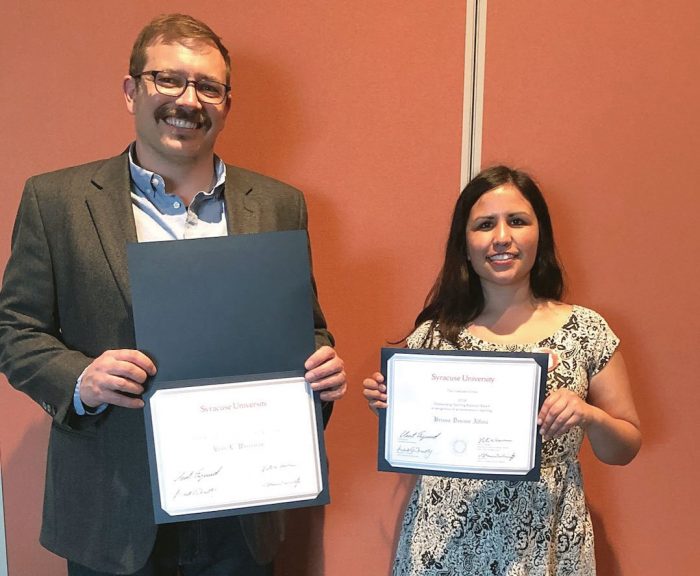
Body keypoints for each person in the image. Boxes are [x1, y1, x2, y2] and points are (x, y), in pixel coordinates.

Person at [0, 13, 346, 576]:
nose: (189, 99)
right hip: (113, 509)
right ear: (131, 91)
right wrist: (81, 380)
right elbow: (14, 330)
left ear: (226, 104)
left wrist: (320, 367)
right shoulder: (55, 200)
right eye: (169, 79)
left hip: (241, 508)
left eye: (208, 86)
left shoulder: (280, 204)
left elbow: (304, 327)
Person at [363, 165, 641, 575]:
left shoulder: (586, 330)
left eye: (517, 221)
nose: (501, 238)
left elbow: (625, 447)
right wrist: (388, 406)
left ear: (539, 232)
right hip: (443, 548)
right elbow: (414, 441)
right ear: (465, 241)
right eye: (484, 225)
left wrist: (589, 415)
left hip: (544, 542)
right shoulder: (434, 337)